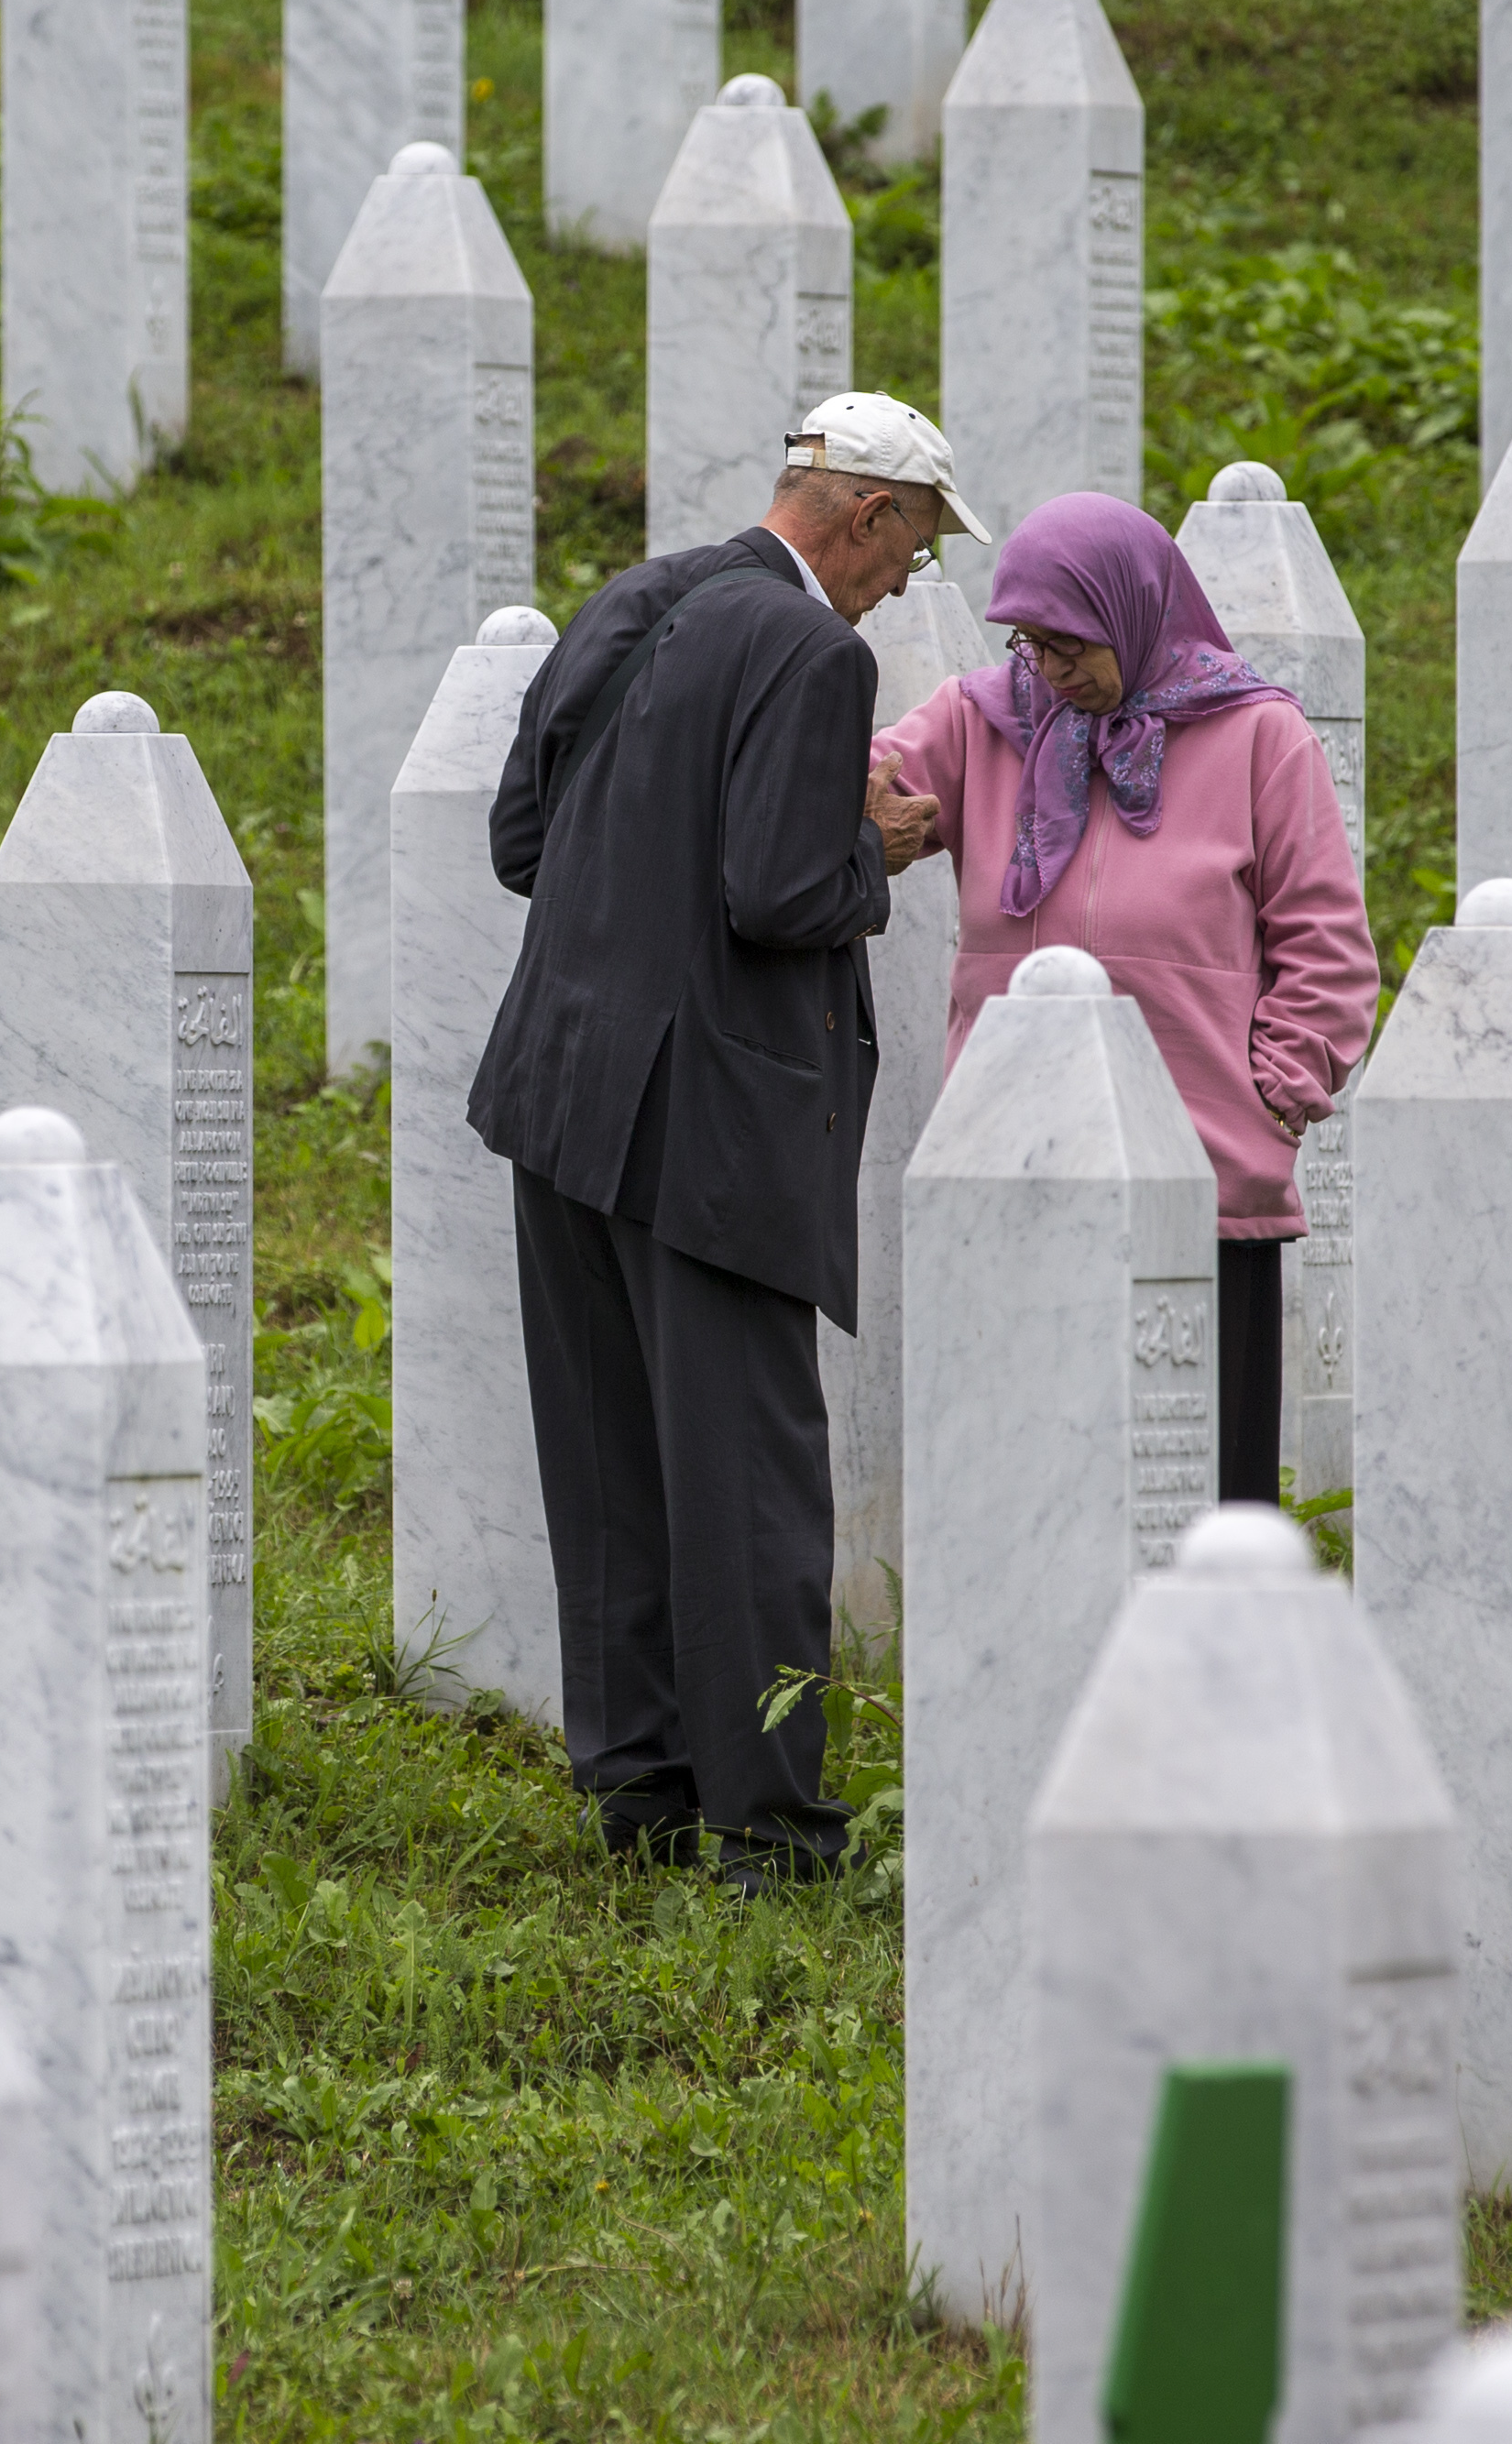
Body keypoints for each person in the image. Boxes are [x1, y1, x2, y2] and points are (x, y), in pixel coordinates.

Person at [466, 393, 970, 1887]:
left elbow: (522, 840)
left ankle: (643, 1788)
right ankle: (767, 1828)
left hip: (561, 1090)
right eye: (913, 551)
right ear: (865, 514)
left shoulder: (636, 597)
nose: (905, 584)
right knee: (748, 1473)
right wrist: (870, 850)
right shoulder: (818, 652)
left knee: (609, 1456)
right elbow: (774, 890)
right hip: (712, 1126)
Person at [865, 489, 1375, 1504]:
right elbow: (859, 782)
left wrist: (1270, 1093)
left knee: (1196, 1496)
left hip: (1206, 1178)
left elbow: (1327, 946)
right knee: (1033, 1495)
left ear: (1132, 613)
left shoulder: (1257, 737)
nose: (1049, 673)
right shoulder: (985, 721)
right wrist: (863, 814)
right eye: (1031, 645)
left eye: (1072, 647)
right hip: (1015, 1164)